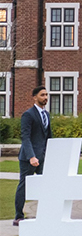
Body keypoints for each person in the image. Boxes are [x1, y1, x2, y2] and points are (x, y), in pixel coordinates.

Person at [14, 86, 51, 226]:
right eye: (42, 95)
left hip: (42, 157)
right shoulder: (28, 115)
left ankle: (45, 214)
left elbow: (48, 137)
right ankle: (18, 216)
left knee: (45, 186)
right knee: (24, 186)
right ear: (35, 97)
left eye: (46, 95)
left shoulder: (46, 115)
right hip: (28, 158)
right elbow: (26, 137)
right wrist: (31, 156)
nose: (45, 97)